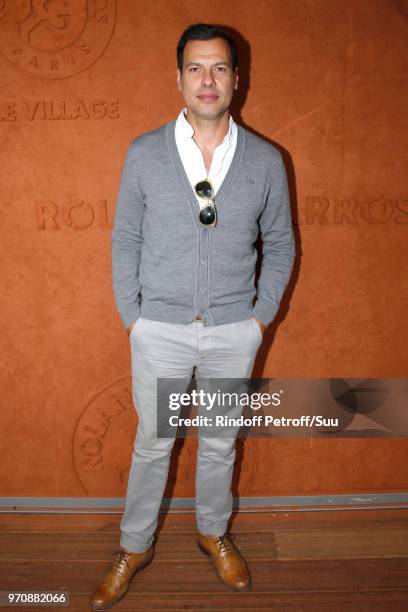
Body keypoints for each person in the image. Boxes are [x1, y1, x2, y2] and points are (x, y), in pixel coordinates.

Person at [90, 22, 295, 611]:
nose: (209, 80)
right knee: (153, 443)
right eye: (197, 68)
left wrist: (259, 319)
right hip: (159, 330)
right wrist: (135, 315)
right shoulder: (144, 153)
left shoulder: (266, 160)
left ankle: (213, 532)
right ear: (178, 77)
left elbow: (279, 244)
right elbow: (124, 237)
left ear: (238, 78)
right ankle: (134, 546)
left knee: (220, 441)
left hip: (235, 331)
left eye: (220, 68)